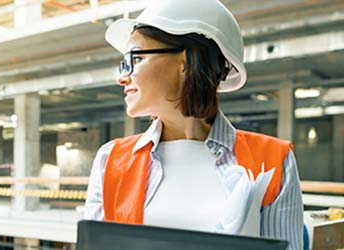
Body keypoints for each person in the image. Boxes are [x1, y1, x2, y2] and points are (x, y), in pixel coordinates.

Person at [84, 0, 303, 249]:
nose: (122, 77)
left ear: (185, 62)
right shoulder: (110, 160)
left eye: (136, 58)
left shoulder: (273, 161)